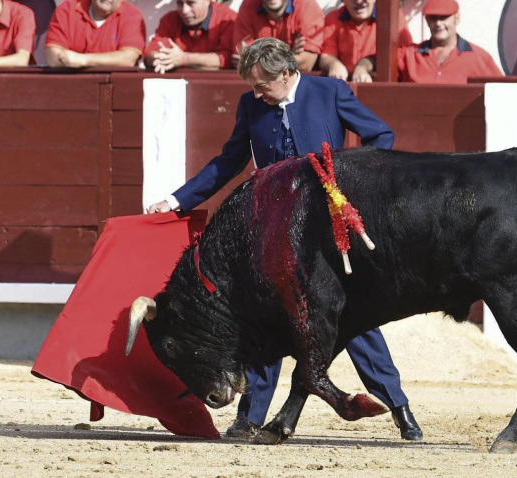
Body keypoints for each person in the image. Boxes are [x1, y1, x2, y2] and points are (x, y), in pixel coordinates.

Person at [147, 37, 422, 442]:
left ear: (287, 73)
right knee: (267, 319)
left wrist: (349, 181)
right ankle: (249, 417)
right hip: (275, 237)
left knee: (353, 319)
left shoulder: (330, 91)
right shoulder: (250, 105)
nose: (256, 94)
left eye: (262, 85)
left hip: (328, 235)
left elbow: (380, 136)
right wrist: (176, 200)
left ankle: (400, 409)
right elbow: (228, 162)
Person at [354, 0, 502, 84]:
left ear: (456, 19)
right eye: (433, 18)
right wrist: (361, 68)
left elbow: (504, 91)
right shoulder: (410, 54)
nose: (438, 23)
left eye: (443, 17)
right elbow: (376, 60)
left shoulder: (479, 57)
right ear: (426, 20)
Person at [319, 0, 412, 82]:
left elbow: (403, 57)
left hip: (380, 89)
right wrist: (334, 64)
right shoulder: (333, 18)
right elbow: (327, 56)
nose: (359, 1)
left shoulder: (394, 17)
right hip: (344, 88)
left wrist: (363, 67)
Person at [44, 0, 145, 68]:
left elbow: (128, 59)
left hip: (117, 89)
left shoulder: (132, 15)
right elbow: (53, 57)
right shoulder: (66, 9)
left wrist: (83, 60)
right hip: (70, 87)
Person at [144, 0, 237, 73]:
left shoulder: (227, 18)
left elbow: (227, 59)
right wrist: (162, 59)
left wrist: (184, 59)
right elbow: (150, 53)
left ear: (207, 1)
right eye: (180, 3)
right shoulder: (170, 19)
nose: (185, 10)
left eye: (191, 2)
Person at [232, 0, 324, 72]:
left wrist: (257, 61)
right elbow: (242, 59)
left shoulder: (307, 5)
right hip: (259, 86)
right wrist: (290, 55)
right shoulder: (248, 6)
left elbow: (306, 64)